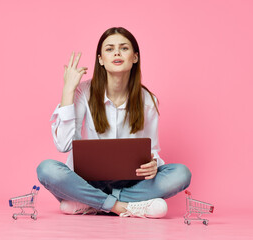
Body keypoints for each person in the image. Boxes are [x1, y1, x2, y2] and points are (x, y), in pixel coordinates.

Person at [37, 27, 192, 218]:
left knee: (181, 173)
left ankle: (91, 203)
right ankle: (124, 207)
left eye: (124, 48)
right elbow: (64, 145)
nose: (117, 52)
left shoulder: (147, 100)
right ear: (100, 59)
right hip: (87, 181)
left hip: (131, 182)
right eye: (109, 49)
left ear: (135, 57)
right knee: (47, 169)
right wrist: (68, 90)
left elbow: (153, 150)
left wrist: (153, 163)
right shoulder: (83, 92)